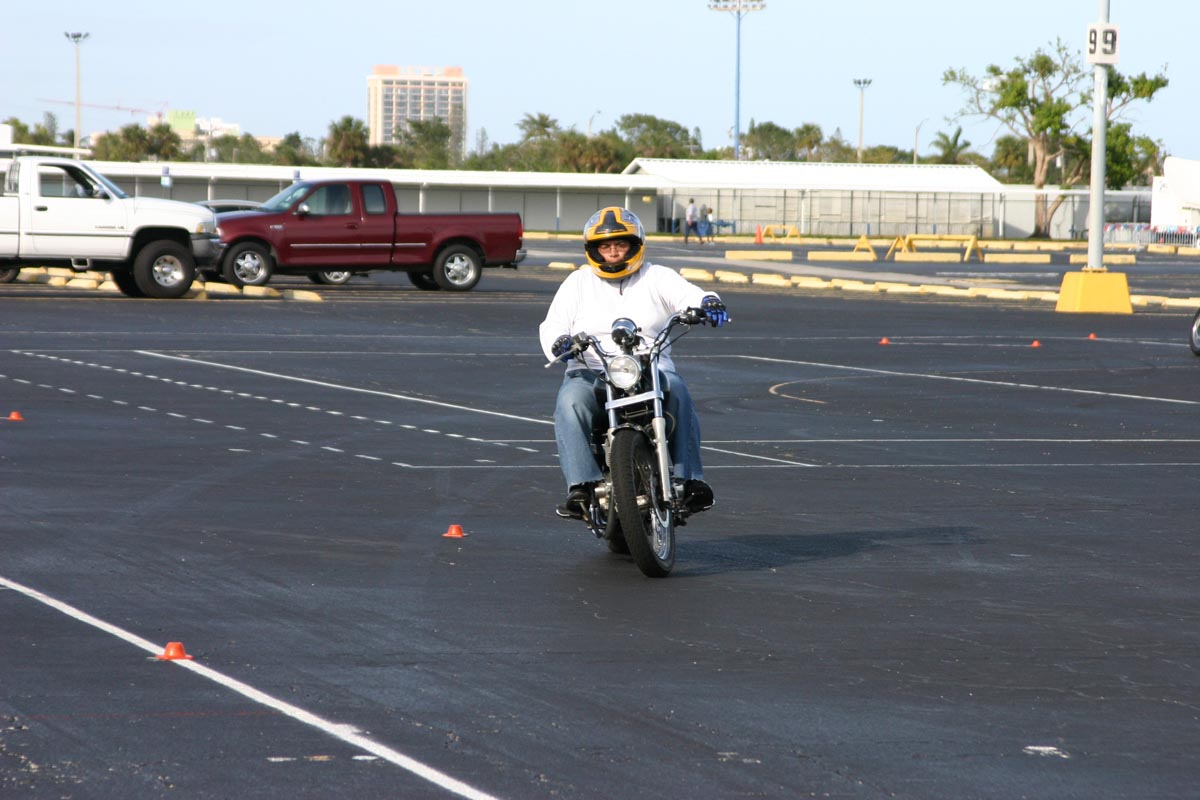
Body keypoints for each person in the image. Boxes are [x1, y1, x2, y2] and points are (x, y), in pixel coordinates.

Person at [539, 207, 729, 520]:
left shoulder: (656, 276)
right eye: (605, 246)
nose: (613, 252)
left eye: (620, 244)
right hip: (592, 370)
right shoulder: (577, 282)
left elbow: (689, 295)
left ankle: (690, 479)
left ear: (635, 245)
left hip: (650, 368)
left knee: (678, 389)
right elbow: (553, 324)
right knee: (570, 400)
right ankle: (582, 486)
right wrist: (560, 342)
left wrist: (707, 302)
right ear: (594, 250)